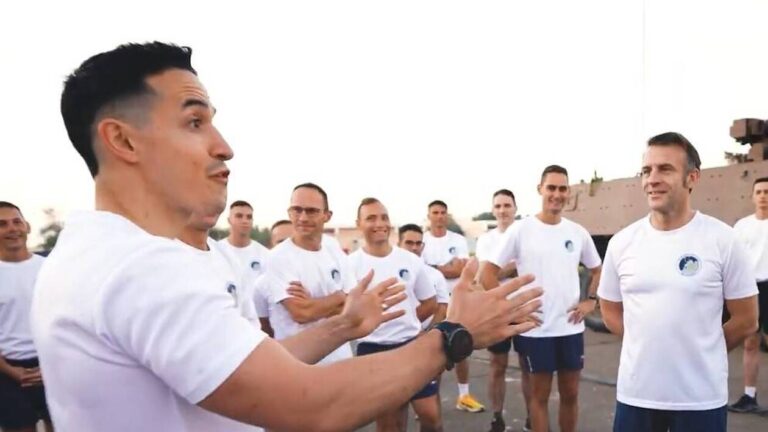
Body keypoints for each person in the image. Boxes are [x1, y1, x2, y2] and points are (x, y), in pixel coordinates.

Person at [31, 41, 542, 431]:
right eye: (194, 122)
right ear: (122, 140)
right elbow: (310, 404)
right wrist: (454, 335)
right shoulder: (139, 266)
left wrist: (341, 326)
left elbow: (248, 365)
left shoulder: (90, 253)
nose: (223, 147)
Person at [598, 132, 759, 432]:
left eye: (665, 169)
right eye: (646, 170)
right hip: (637, 396)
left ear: (692, 178)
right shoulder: (622, 243)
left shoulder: (723, 240)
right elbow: (609, 309)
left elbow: (747, 319)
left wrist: (703, 350)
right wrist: (648, 343)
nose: (652, 179)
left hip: (700, 400)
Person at [480, 167, 602, 432]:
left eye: (562, 189)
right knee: (539, 398)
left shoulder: (577, 232)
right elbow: (486, 274)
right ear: (540, 190)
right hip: (536, 330)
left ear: (568, 192)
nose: (557, 194)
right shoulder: (520, 230)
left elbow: (597, 269)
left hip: (570, 327)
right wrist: (512, 311)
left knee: (570, 394)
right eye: (551, 188)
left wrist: (590, 300)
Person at [350, 198, 441, 432]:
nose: (379, 223)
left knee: (430, 415)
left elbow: (430, 302)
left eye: (384, 217)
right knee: (390, 421)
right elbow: (345, 311)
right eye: (371, 218)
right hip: (373, 348)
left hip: (411, 344)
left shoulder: (410, 260)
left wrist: (407, 321)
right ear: (359, 223)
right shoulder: (350, 264)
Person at [422, 200, 484, 413]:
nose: (439, 216)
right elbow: (422, 273)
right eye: (435, 212)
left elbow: (460, 269)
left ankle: (464, 396)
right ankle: (431, 401)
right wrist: (446, 267)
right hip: (434, 302)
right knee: (434, 351)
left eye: (443, 213)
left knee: (461, 347)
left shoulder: (457, 240)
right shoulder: (423, 241)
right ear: (429, 216)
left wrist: (434, 268)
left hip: (457, 301)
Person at [474, 189, 524, 432]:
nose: (503, 210)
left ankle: (532, 417)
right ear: (493, 210)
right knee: (497, 365)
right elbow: (484, 277)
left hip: (524, 307)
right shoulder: (486, 240)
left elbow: (493, 271)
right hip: (498, 310)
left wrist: (497, 270)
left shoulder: (526, 234)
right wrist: (512, 267)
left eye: (507, 205)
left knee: (529, 366)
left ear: (515, 208)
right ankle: (497, 417)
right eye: (498, 206)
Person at [0, 202, 52, 432]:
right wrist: (11, 371)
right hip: (7, 372)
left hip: (53, 366)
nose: (12, 229)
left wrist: (52, 364)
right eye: (2, 224)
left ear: (27, 226)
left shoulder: (51, 268)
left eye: (16, 222)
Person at [728, 176, 768, 413]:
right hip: (750, 288)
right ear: (753, 196)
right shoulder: (742, 227)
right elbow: (733, 260)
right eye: (759, 192)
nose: (763, 196)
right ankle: (749, 396)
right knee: (750, 343)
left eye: (767, 192)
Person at [398, 224, 449, 328]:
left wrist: (428, 332)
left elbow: (443, 306)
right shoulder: (389, 271)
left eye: (418, 243)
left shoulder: (435, 274)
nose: (414, 248)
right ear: (399, 244)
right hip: (396, 332)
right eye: (409, 243)